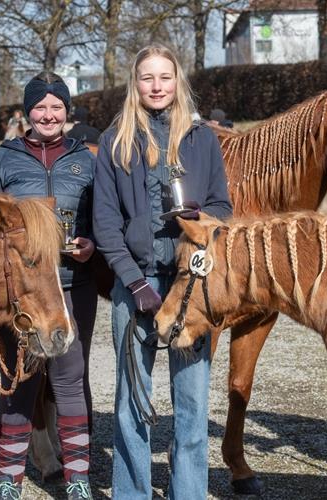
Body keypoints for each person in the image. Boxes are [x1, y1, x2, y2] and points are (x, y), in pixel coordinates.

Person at [92, 44, 232, 499]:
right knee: (133, 400)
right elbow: (105, 223)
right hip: (136, 285)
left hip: (189, 285)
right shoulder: (115, 140)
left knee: (192, 400)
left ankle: (187, 492)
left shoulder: (202, 138)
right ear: (136, 83)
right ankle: (131, 492)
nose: (157, 86)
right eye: (148, 77)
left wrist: (199, 217)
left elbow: (223, 209)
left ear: (178, 82)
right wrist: (133, 283)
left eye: (165, 77)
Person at [0, 71, 97, 500]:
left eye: (56, 107)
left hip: (71, 285)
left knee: (70, 379)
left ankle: (78, 476)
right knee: (20, 380)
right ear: (28, 112)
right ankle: (9, 479)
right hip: (19, 293)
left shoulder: (86, 160)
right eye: (40, 107)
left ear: (67, 112)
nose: (48, 115)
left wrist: (91, 245)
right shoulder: (3, 160)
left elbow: (101, 219)